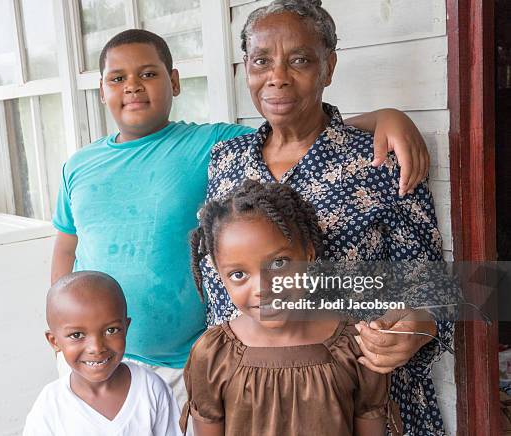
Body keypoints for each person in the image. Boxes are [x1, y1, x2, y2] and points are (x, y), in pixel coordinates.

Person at [51, 28, 433, 407]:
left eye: (148, 74)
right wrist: (62, 328)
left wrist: (384, 117)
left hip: (181, 362)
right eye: (117, 79)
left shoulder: (213, 146)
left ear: (174, 82)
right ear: (101, 90)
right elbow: (66, 248)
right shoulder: (77, 166)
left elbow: (294, 128)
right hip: (94, 355)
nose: (133, 86)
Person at [200, 2, 453, 434]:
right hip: (255, 402)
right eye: (262, 60)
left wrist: (418, 324)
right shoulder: (226, 162)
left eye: (299, 59)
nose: (277, 76)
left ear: (328, 67)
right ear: (246, 68)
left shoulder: (379, 159)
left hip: (364, 400)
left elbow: (433, 287)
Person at [183, 180, 401, 436]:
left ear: (308, 256)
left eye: (278, 264)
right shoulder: (212, 355)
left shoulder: (355, 346)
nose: (262, 288)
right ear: (220, 275)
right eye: (239, 274)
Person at [23, 271, 181, 436]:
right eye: (77, 335)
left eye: (111, 330)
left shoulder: (150, 388)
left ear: (126, 328)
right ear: (54, 341)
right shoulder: (50, 406)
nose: (97, 347)